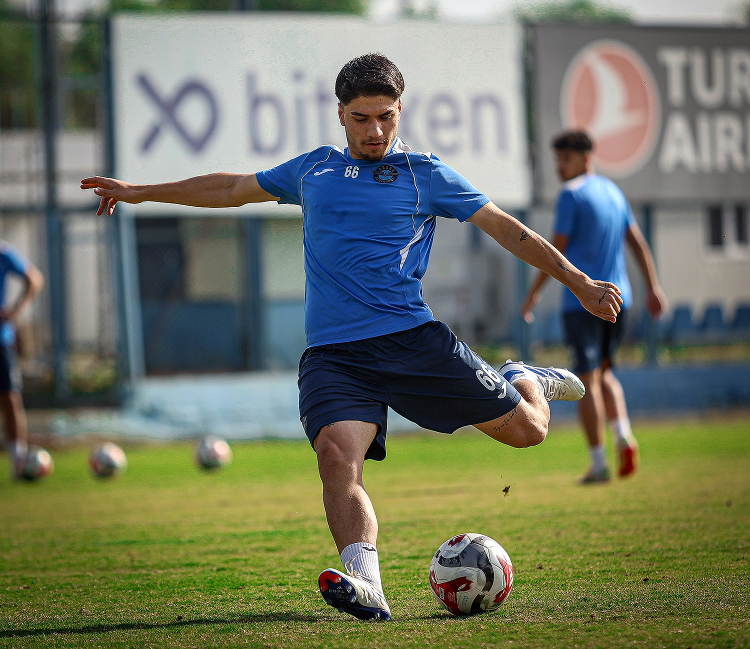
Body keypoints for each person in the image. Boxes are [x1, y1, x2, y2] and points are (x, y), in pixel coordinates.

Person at [82, 54, 622, 621]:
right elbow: (231, 188)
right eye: (362, 118)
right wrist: (140, 191)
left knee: (530, 431)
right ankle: (367, 582)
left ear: (400, 111)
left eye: (386, 117)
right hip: (335, 356)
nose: (375, 131)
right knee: (337, 459)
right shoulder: (312, 170)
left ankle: (524, 378)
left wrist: (579, 282)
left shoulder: (426, 174)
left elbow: (508, 230)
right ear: (340, 113)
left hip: (413, 341)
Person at [521, 130, 667, 485]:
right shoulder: (614, 192)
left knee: (586, 381)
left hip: (583, 303)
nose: (560, 166)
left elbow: (554, 250)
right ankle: (624, 436)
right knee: (605, 373)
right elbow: (637, 242)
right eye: (557, 159)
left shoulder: (571, 194)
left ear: (586, 158)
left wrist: (534, 293)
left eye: (566, 159)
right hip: (620, 298)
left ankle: (599, 463)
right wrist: (653, 287)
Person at [0, 241, 44, 479]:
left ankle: (18, 462)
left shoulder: (3, 253)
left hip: (1, 340)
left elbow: (34, 279)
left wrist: (16, 310)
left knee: (10, 397)